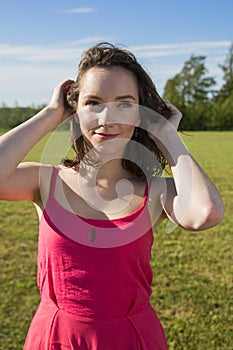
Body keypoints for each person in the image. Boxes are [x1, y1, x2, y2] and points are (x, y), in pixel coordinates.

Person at [0, 42, 224, 350]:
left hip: (131, 338)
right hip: (55, 337)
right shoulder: (45, 181)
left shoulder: (156, 190)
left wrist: (167, 136)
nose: (107, 117)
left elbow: (206, 213)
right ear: (75, 112)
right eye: (93, 103)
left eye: (124, 103)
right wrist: (52, 114)